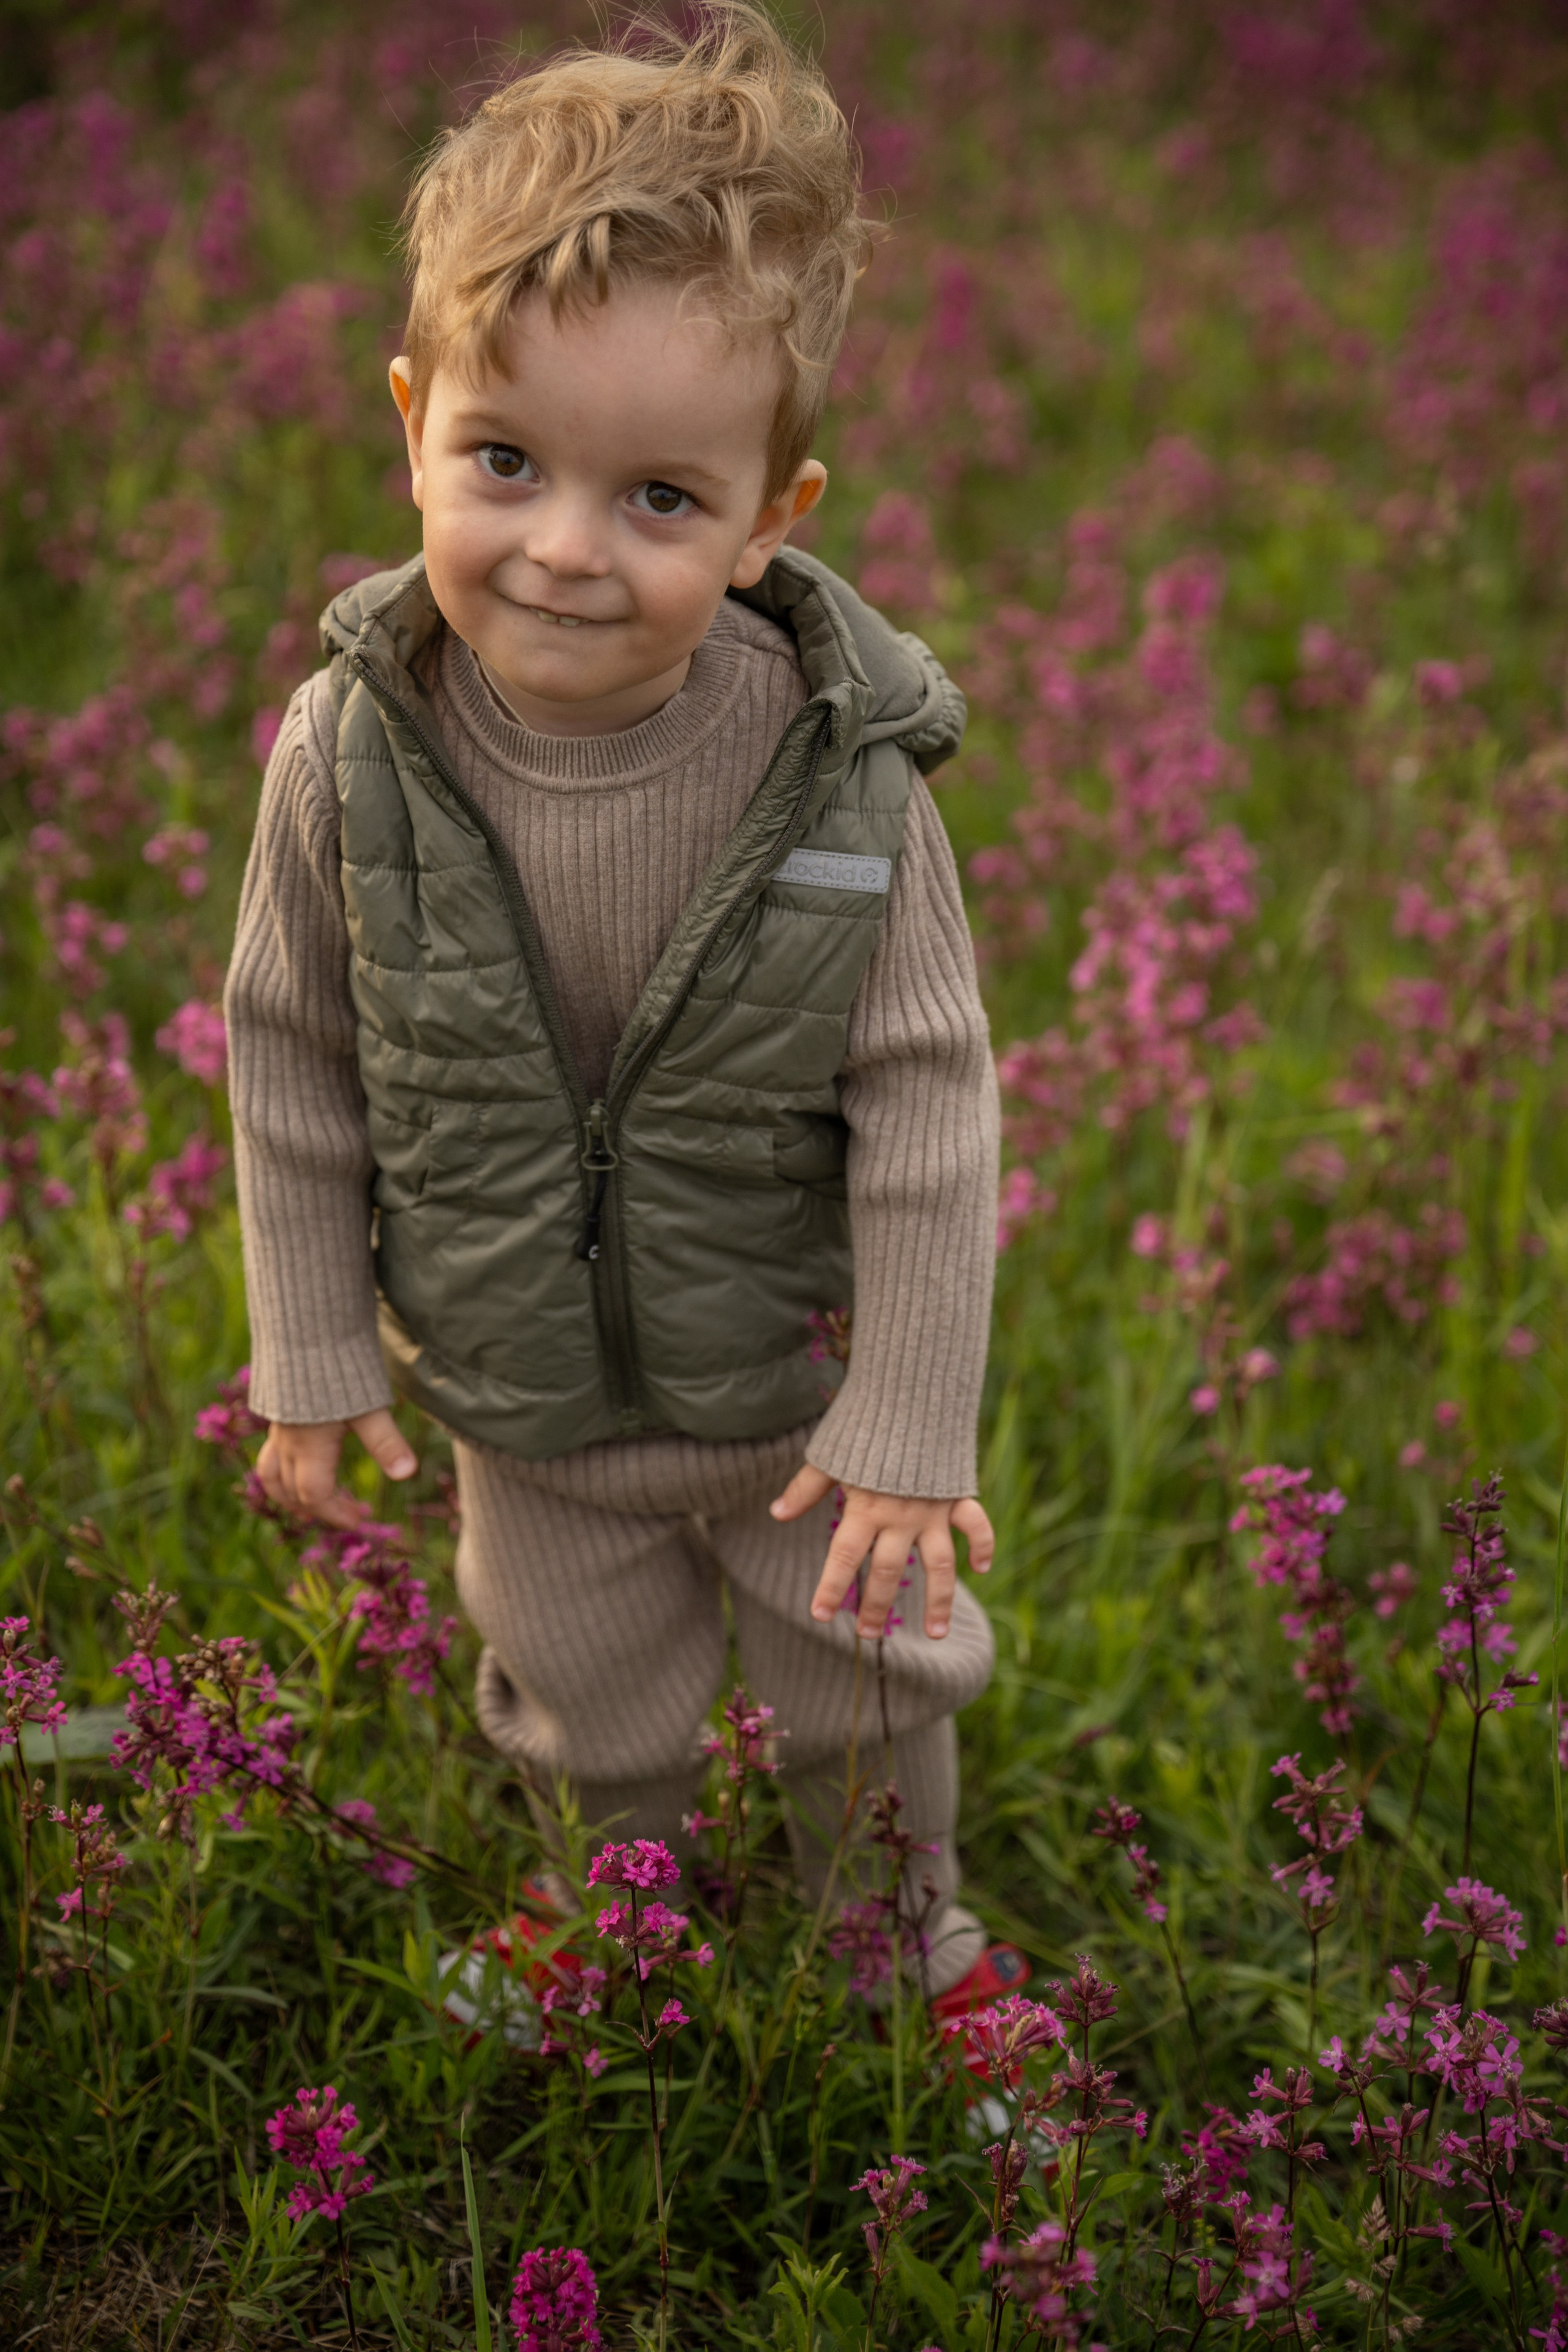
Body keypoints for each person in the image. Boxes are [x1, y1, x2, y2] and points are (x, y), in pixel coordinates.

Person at [227, 0, 1019, 2008]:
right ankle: (621, 1919)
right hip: (523, 1385)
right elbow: (292, 1059)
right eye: (504, 460)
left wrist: (913, 1417)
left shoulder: (840, 777)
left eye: (662, 498)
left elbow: (932, 1097)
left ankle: (901, 1938)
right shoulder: (348, 756)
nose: (568, 551)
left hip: (796, 1394)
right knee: (584, 1696)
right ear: (408, 416)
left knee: (866, 1671)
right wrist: (315, 1346)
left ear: (774, 515)